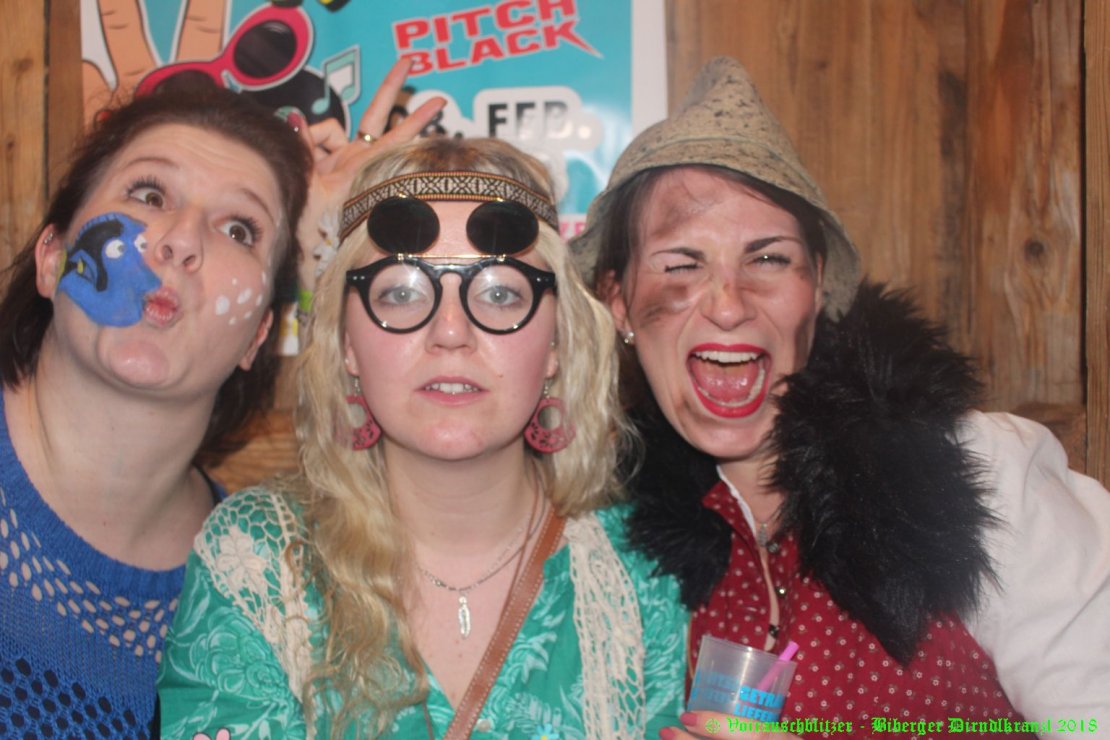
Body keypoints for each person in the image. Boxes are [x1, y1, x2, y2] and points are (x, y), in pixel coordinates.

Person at [571, 56, 1110, 738]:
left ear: (818, 284)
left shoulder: (977, 475)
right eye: (681, 264)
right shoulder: (612, 547)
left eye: (768, 258)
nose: (728, 305)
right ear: (619, 301)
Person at [157, 136, 687, 737]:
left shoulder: (648, 570)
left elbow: (781, 726)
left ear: (556, 344)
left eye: (500, 293)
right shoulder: (257, 562)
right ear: (348, 344)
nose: (451, 332)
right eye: (401, 293)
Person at [0, 83, 310, 737]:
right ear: (51, 259)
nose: (180, 241)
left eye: (238, 229)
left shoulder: (257, 589)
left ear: (258, 335)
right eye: (148, 195)